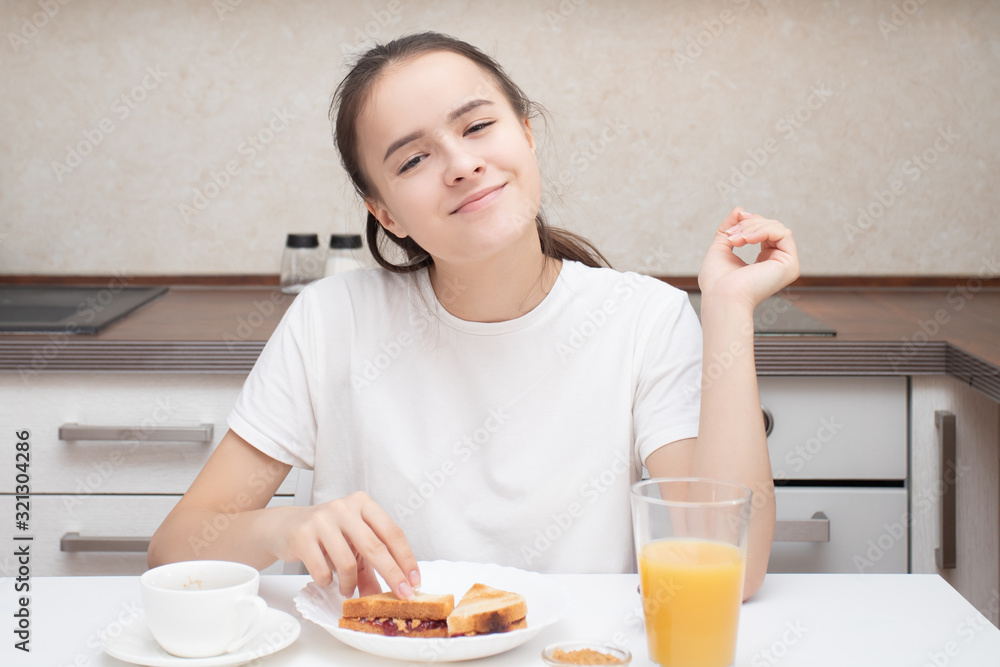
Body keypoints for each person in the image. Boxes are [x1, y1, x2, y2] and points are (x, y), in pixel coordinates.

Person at [148, 32, 798, 603]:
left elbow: (732, 567)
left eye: (478, 126)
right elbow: (175, 548)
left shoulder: (645, 319)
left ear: (527, 134)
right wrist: (283, 527)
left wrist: (729, 308)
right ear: (387, 214)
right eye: (413, 159)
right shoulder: (331, 319)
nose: (462, 165)